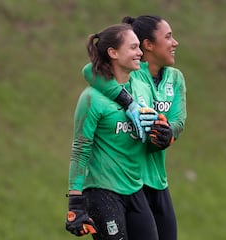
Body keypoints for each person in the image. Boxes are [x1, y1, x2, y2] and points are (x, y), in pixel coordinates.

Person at [82, 15, 187, 240]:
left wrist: (167, 132)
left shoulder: (176, 79)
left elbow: (179, 122)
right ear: (148, 45)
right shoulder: (133, 73)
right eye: (168, 37)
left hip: (158, 180)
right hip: (130, 182)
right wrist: (127, 102)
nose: (175, 42)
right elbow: (89, 71)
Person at [65, 23, 159, 240]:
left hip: (135, 189)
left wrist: (161, 132)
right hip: (102, 192)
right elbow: (80, 149)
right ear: (113, 52)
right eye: (134, 47)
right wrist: (75, 202)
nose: (140, 53)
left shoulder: (140, 88)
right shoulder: (91, 99)